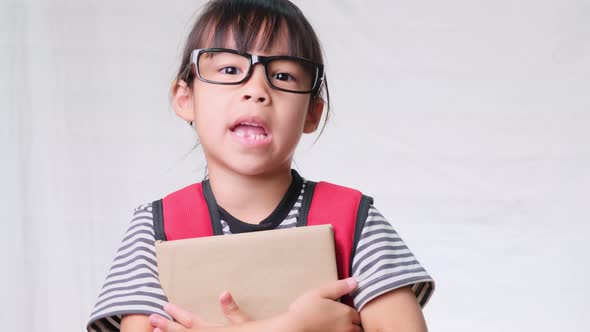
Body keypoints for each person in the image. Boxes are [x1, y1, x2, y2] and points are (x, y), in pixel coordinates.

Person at [87, 0, 435, 331]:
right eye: (229, 69)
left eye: (282, 76)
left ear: (313, 112)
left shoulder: (355, 221)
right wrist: (291, 327)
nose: (256, 90)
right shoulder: (156, 228)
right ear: (185, 98)